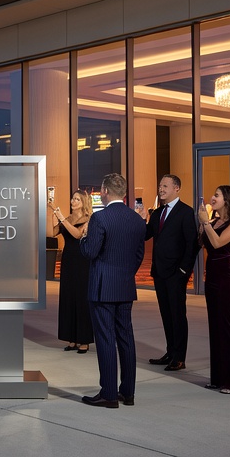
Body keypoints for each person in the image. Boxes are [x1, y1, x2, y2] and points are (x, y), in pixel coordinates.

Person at [79, 172, 145, 408]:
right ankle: (127, 392)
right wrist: (126, 273)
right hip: (125, 285)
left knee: (106, 339)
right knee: (126, 337)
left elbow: (90, 252)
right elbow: (139, 255)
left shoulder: (100, 218)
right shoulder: (137, 220)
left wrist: (83, 239)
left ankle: (108, 393)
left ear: (105, 192)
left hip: (102, 288)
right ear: (124, 193)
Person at [141, 173, 199, 371]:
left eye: (165, 186)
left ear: (177, 188)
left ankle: (179, 357)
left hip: (176, 273)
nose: (161, 189)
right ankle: (170, 351)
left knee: (177, 315)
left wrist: (184, 270)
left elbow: (193, 244)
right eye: (160, 186)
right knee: (166, 314)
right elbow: (146, 234)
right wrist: (141, 220)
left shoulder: (185, 212)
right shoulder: (157, 213)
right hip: (159, 272)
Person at [197, 185, 230, 394]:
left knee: (229, 326)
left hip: (227, 278)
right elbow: (203, 244)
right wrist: (204, 226)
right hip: (212, 277)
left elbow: (219, 243)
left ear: (227, 199)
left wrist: (205, 223)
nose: (212, 198)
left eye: (217, 195)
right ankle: (219, 377)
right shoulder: (214, 221)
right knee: (216, 327)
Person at [49, 190, 93, 353]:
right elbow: (51, 233)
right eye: (72, 198)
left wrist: (61, 218)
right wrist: (52, 213)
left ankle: (84, 339)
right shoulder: (67, 218)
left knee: (81, 299)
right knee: (69, 298)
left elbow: (77, 235)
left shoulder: (88, 219)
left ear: (83, 202)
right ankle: (72, 338)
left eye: (77, 199)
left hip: (82, 262)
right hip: (68, 262)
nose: (73, 201)